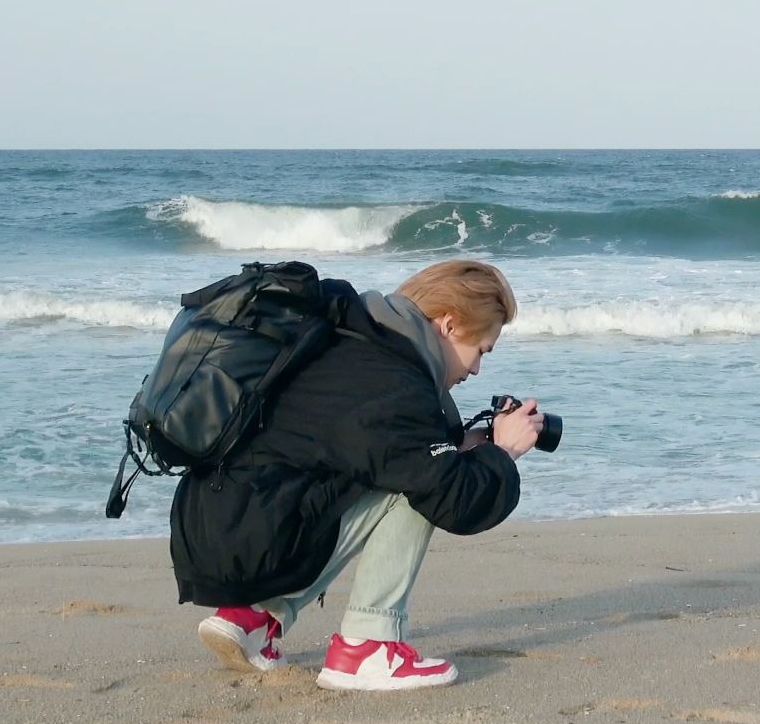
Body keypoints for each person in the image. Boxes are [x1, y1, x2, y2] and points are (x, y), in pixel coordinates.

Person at [169, 258, 544, 691]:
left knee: (419, 468)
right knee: (422, 487)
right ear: (449, 324)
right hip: (252, 539)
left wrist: (460, 446)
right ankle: (367, 644)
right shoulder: (396, 382)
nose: (477, 369)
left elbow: (367, 444)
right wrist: (503, 452)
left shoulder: (353, 337)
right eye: (482, 350)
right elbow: (453, 500)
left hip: (213, 526)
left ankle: (251, 615)